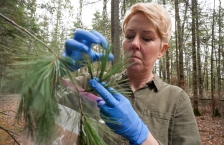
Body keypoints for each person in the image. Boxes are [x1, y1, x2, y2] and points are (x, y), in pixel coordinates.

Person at [61, 2, 202, 145]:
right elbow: (42, 103)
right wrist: (57, 69)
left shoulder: (175, 99)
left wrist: (141, 135)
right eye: (129, 36)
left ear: (162, 50)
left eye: (146, 38)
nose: (134, 43)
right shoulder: (93, 82)